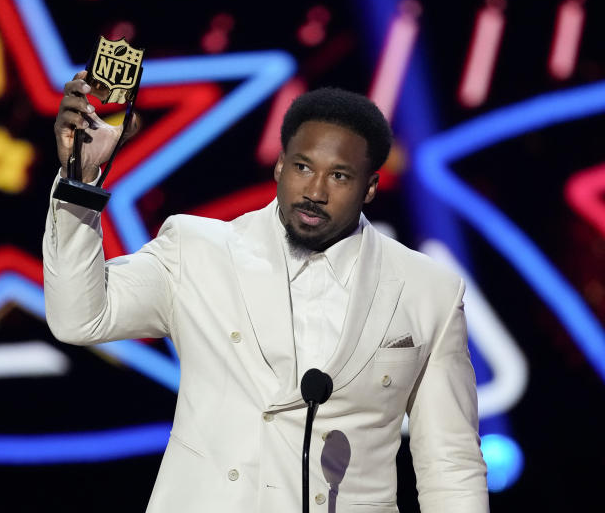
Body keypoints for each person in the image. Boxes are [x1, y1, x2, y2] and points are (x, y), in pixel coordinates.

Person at [43, 73, 489, 513]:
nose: (314, 191)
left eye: (339, 176)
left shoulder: (428, 290)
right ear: (279, 165)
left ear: (370, 186)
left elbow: (450, 464)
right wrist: (79, 182)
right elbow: (80, 318)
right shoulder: (197, 250)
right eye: (302, 167)